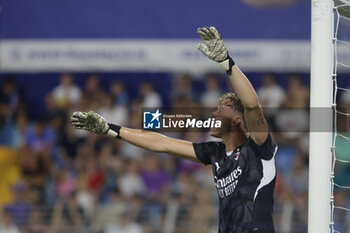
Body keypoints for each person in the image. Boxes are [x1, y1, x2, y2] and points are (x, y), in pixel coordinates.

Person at [71, 26, 278, 233]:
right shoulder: (215, 154)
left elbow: (252, 105)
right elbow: (162, 143)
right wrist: (109, 129)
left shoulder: (258, 148)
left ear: (238, 121)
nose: (213, 115)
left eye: (221, 111)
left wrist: (226, 62)